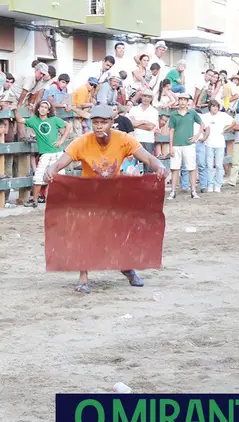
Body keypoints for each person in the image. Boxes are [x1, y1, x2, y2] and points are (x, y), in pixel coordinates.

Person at [45, 105, 168, 295]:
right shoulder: (81, 142)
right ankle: (83, 278)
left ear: (112, 122)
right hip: (88, 197)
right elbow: (61, 162)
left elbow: (149, 158)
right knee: (84, 235)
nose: (99, 126)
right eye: (95, 123)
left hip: (114, 195)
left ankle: (127, 268)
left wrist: (159, 166)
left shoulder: (124, 139)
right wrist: (51, 170)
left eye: (103, 122)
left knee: (121, 233)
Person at [13, 99, 71, 207]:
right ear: (38, 108)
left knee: (60, 177)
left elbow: (68, 126)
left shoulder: (54, 120)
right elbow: (21, 120)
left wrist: (61, 140)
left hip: (57, 153)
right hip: (45, 153)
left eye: (45, 107)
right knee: (38, 176)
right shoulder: (34, 120)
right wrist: (15, 110)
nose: (43, 109)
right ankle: (34, 200)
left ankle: (63, 200)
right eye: (41, 107)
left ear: (48, 111)